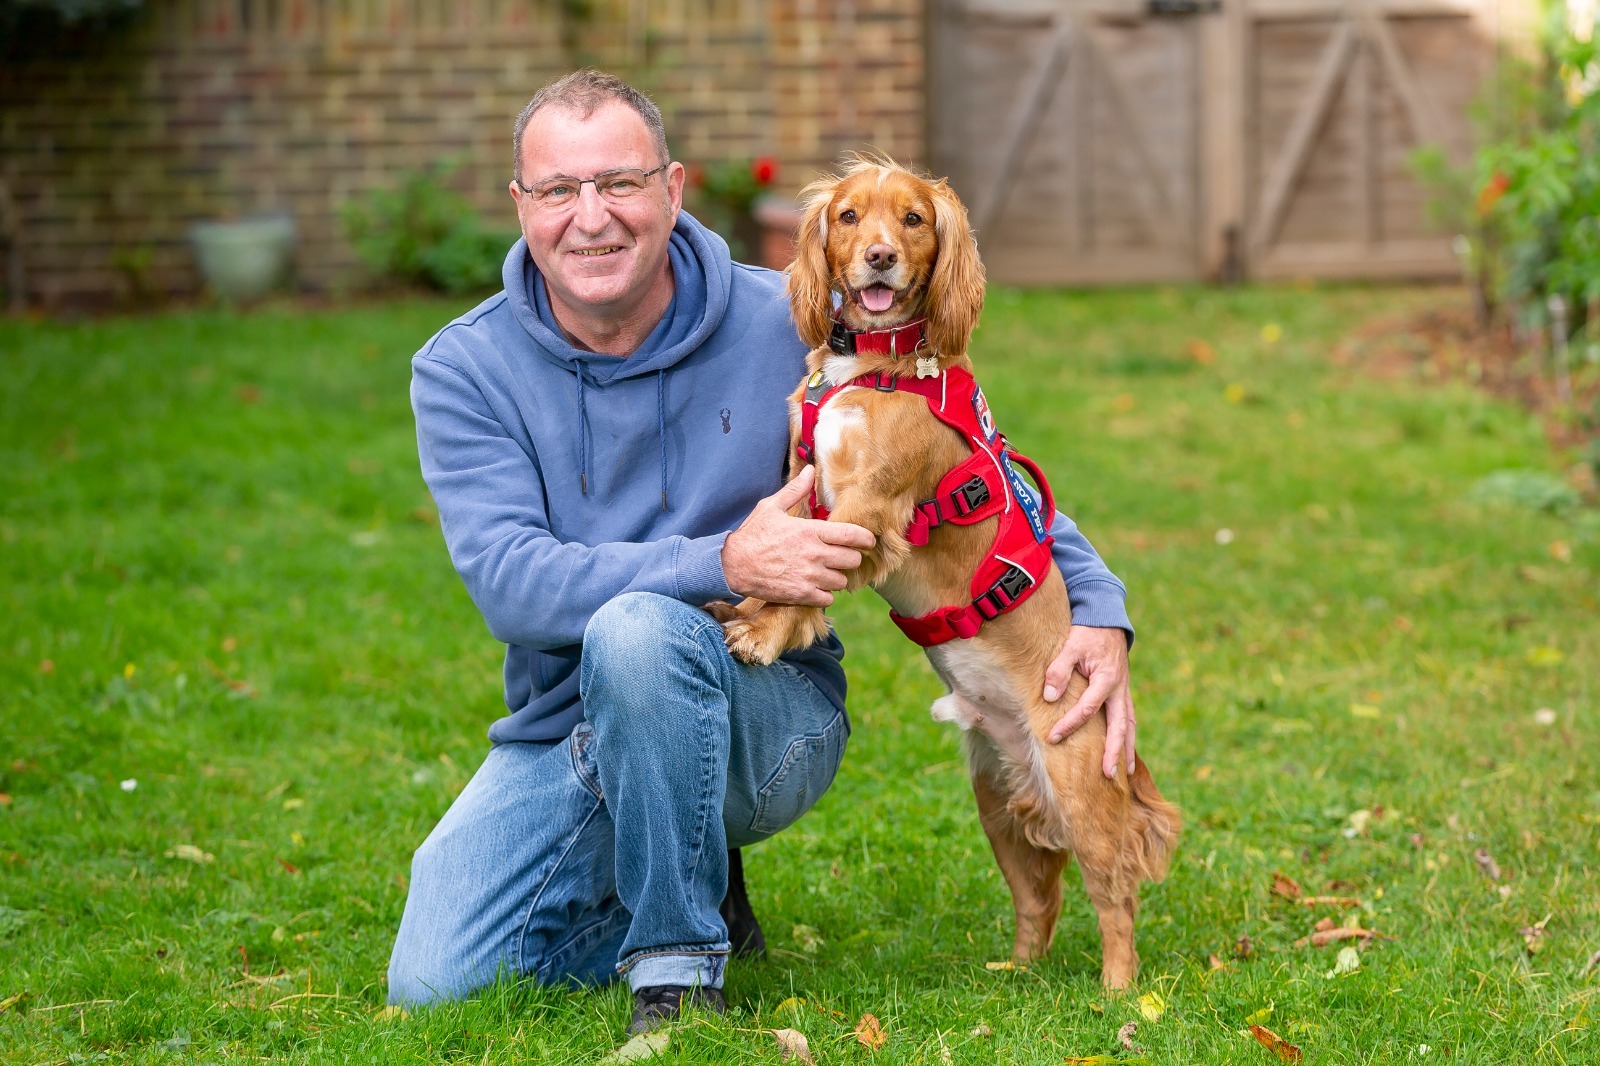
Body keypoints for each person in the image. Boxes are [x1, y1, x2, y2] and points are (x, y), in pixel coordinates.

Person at [386, 69, 1140, 1036]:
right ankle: (689, 866)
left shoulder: (793, 319)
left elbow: (967, 469)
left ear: (673, 189)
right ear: (520, 205)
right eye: (558, 191)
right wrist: (728, 562)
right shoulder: (463, 370)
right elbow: (511, 587)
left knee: (639, 630)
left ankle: (677, 976)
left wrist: (1101, 608)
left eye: (620, 183)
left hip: (768, 709)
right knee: (436, 984)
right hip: (563, 728)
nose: (591, 218)